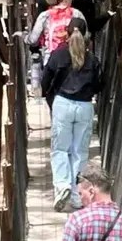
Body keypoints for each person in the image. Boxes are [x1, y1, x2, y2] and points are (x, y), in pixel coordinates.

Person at [42, 17, 102, 212]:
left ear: (66, 34)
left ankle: (62, 186)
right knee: (79, 152)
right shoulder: (92, 59)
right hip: (84, 107)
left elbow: (46, 80)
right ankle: (77, 197)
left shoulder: (58, 55)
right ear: (86, 35)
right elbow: (99, 84)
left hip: (62, 104)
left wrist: (48, 97)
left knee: (60, 149)